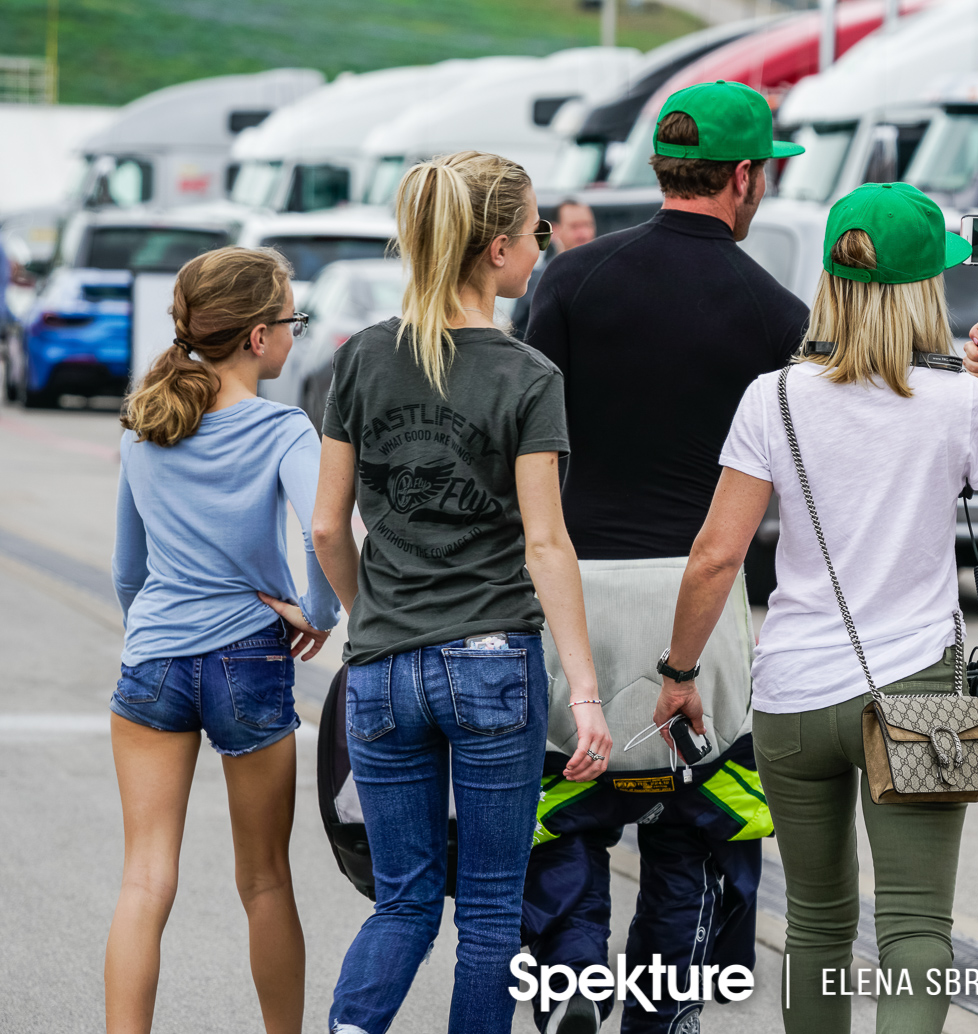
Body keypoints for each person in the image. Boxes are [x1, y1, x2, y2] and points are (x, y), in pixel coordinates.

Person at [654, 182, 978, 1034]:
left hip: (794, 692)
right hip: (921, 690)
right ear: (922, 290)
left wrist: (680, 671)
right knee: (912, 925)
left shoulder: (774, 396)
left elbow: (717, 555)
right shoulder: (959, 399)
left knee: (818, 925)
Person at [520, 79, 808, 1034]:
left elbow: (535, 448)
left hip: (580, 586)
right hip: (703, 595)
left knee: (568, 807)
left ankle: (568, 978)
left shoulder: (569, 278)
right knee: (695, 823)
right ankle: (662, 1010)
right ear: (741, 178)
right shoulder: (774, 312)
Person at [312, 150, 611, 1034]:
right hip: (491, 663)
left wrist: (373, 621)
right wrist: (585, 692)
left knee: (402, 902)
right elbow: (547, 543)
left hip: (382, 667)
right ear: (494, 249)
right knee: (487, 911)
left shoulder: (362, 357)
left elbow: (329, 527)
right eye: (535, 233)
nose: (542, 248)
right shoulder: (527, 377)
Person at [106, 246, 339, 1034]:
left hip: (154, 660)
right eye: (291, 322)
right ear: (258, 337)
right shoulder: (282, 428)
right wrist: (320, 611)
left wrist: (155, 630)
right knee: (265, 882)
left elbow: (127, 571)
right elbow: (324, 530)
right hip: (248, 658)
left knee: (144, 880)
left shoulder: (146, 421)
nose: (293, 336)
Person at [509, 197, 596, 334]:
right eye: (575, 227)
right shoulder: (537, 281)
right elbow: (519, 334)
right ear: (555, 230)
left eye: (587, 225)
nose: (583, 234)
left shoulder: (607, 274)